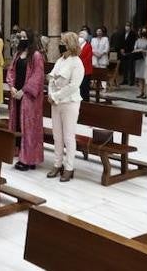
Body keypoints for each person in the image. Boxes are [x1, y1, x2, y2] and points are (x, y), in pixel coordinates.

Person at [46, 31, 84, 182]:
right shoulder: (60, 60)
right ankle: (57, 163)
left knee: (68, 136)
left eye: (63, 42)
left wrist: (55, 96)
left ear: (70, 44)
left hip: (70, 102)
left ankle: (69, 167)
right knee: (57, 135)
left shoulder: (77, 63)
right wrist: (50, 94)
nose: (61, 44)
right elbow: (51, 77)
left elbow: (73, 86)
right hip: (56, 102)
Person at [7, 30, 45, 170]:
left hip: (29, 97)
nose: (22, 39)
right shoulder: (17, 54)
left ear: (30, 38)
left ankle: (29, 159)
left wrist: (24, 91)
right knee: (18, 125)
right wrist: (11, 87)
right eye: (20, 37)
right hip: (16, 95)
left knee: (29, 128)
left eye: (24, 37)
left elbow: (38, 76)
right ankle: (21, 154)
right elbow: (11, 71)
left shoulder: (36, 56)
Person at [91, 26, 110, 100]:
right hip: (95, 57)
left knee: (103, 72)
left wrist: (101, 54)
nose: (99, 32)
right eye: (97, 31)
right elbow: (91, 48)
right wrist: (96, 54)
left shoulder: (105, 39)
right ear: (96, 32)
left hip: (103, 57)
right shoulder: (93, 39)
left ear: (102, 32)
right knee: (95, 72)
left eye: (100, 31)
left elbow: (107, 48)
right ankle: (95, 86)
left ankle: (104, 87)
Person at [78, 27, 94, 101]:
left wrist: (79, 64)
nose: (79, 38)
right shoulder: (77, 46)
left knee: (84, 88)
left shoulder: (88, 46)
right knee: (79, 87)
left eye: (81, 36)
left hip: (86, 71)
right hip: (78, 70)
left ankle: (86, 102)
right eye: (79, 36)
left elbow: (88, 58)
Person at [133, 28, 147, 97]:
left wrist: (143, 51)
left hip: (145, 60)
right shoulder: (137, 41)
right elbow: (134, 49)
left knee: (145, 77)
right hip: (139, 59)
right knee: (140, 77)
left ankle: (146, 93)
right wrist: (138, 50)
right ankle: (140, 92)